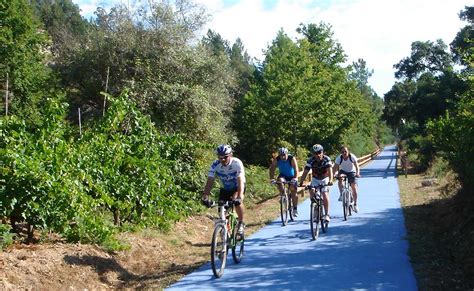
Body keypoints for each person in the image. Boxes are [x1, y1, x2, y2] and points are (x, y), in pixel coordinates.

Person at [202, 144, 246, 233]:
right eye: (220, 157)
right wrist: (205, 196)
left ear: (230, 155)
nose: (222, 160)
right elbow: (210, 180)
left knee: (236, 200)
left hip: (237, 187)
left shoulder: (236, 163)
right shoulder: (215, 164)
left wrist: (240, 196)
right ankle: (226, 231)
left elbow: (240, 181)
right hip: (226, 188)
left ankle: (241, 222)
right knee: (221, 209)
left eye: (225, 157)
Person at [299, 144, 333, 222]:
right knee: (312, 190)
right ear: (313, 154)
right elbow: (305, 172)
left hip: (325, 178)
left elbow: (330, 171)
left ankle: (327, 214)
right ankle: (315, 208)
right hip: (315, 179)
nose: (318, 155)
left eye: (319, 152)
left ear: (322, 152)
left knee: (324, 194)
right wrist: (301, 182)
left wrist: (330, 180)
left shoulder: (327, 159)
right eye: (315, 153)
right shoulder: (310, 160)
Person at [269, 147, 300, 216]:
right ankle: (283, 195)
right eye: (281, 155)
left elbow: (296, 169)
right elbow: (272, 169)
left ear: (287, 154)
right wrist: (271, 179)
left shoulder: (291, 158)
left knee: (293, 192)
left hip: (292, 176)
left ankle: (295, 209)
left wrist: (295, 178)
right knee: (279, 181)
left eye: (284, 155)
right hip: (283, 175)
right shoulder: (277, 159)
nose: (282, 157)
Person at [333, 146, 361, 213]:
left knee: (354, 188)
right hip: (343, 171)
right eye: (342, 152)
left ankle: (355, 204)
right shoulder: (339, 158)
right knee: (340, 178)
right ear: (341, 153)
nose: (344, 153)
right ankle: (341, 194)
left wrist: (357, 173)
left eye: (345, 151)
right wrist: (334, 174)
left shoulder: (352, 157)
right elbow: (335, 167)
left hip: (352, 171)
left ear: (348, 151)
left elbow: (357, 166)